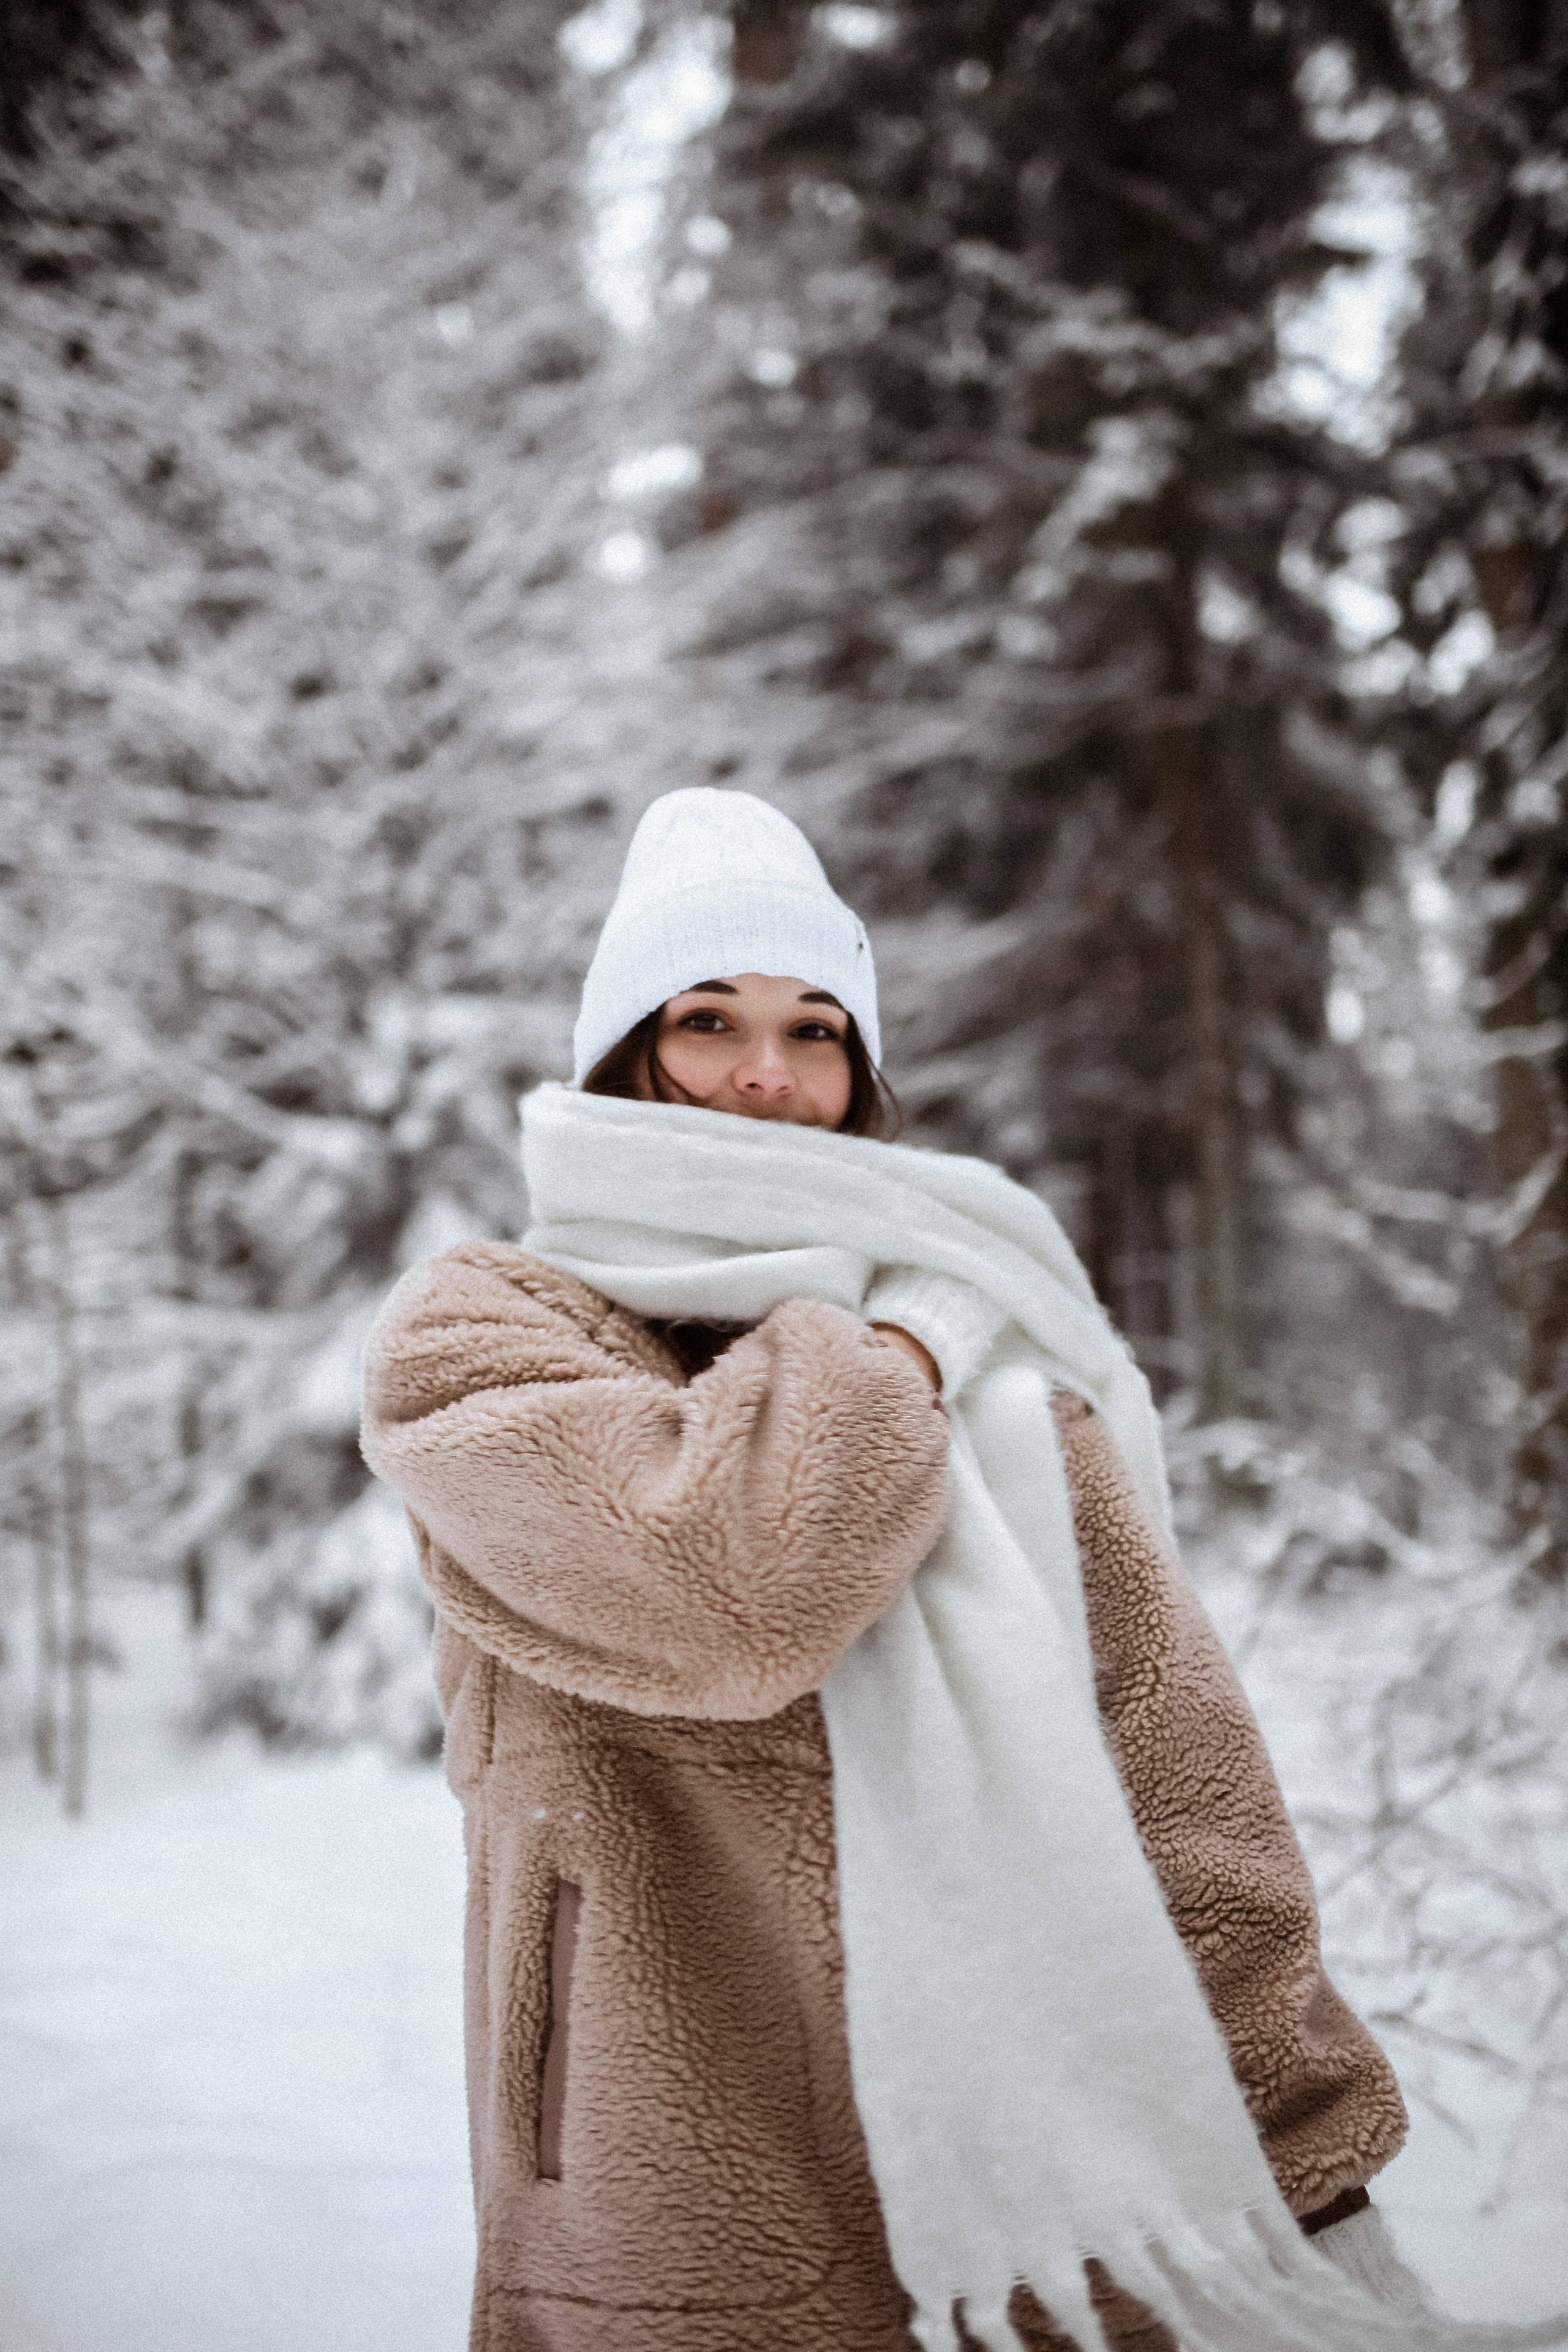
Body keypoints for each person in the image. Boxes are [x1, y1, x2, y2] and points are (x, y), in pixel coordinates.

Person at [361, 790, 1436, 2352]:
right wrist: (899, 1344)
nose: (765, 1077)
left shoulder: (1003, 1378)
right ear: (622, 1054)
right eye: (708, 1020)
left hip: (1048, 2194)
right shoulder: (482, 1338)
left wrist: (1313, 2172)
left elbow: (1174, 1777)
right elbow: (735, 1589)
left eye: (815, 1033)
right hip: (667, 2179)